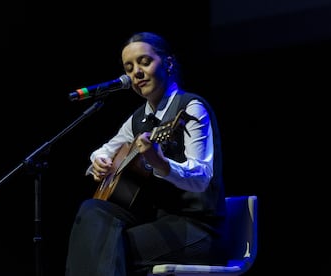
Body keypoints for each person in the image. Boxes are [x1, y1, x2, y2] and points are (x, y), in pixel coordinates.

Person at [65, 31, 228, 276]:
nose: (136, 73)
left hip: (198, 228)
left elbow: (202, 176)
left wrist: (161, 164)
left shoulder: (191, 107)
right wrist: (98, 161)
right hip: (158, 224)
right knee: (92, 211)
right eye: (129, 68)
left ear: (168, 63)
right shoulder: (138, 119)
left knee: (105, 246)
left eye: (144, 62)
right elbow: (104, 150)